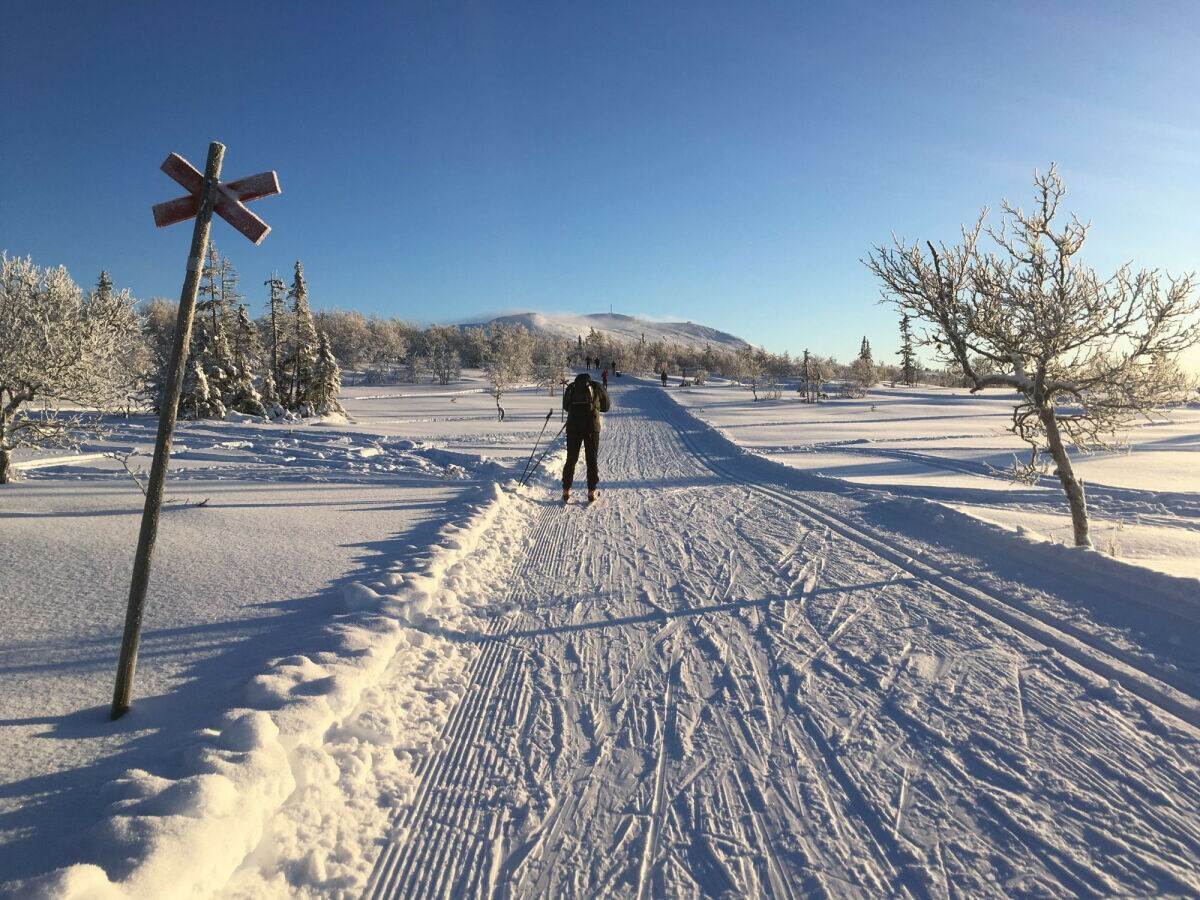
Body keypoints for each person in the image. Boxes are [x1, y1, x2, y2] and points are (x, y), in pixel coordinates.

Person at [562, 371, 610, 503]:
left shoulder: (571, 387)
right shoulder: (597, 386)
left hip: (573, 427)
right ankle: (591, 491)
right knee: (591, 458)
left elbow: (566, 406)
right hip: (591, 428)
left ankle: (566, 490)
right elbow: (606, 407)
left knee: (571, 458)